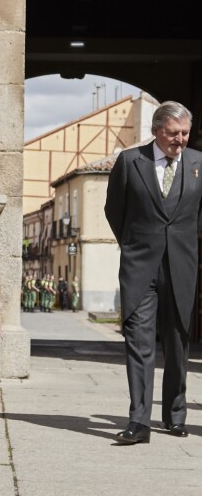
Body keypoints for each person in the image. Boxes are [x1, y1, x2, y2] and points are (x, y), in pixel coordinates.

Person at [105, 100, 202, 444]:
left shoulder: (198, 164)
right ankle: (139, 422)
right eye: (174, 133)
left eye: (185, 133)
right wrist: (133, 244)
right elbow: (114, 209)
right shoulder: (131, 161)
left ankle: (175, 416)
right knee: (139, 342)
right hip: (139, 265)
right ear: (157, 131)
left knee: (177, 343)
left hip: (182, 265)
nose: (181, 140)